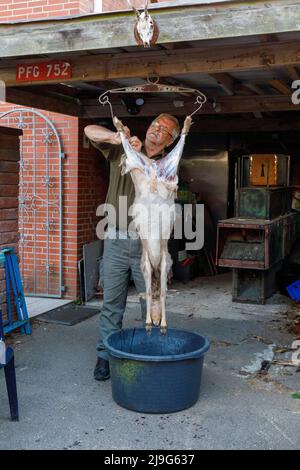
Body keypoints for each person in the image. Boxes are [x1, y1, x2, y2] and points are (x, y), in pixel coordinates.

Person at [84, 113, 180, 381]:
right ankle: (105, 355)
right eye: (154, 124)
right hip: (114, 239)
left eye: (163, 129)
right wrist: (117, 137)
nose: (155, 130)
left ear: (170, 141)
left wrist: (139, 156)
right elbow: (89, 130)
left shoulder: (168, 166)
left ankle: (151, 355)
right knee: (111, 304)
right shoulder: (121, 149)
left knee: (151, 305)